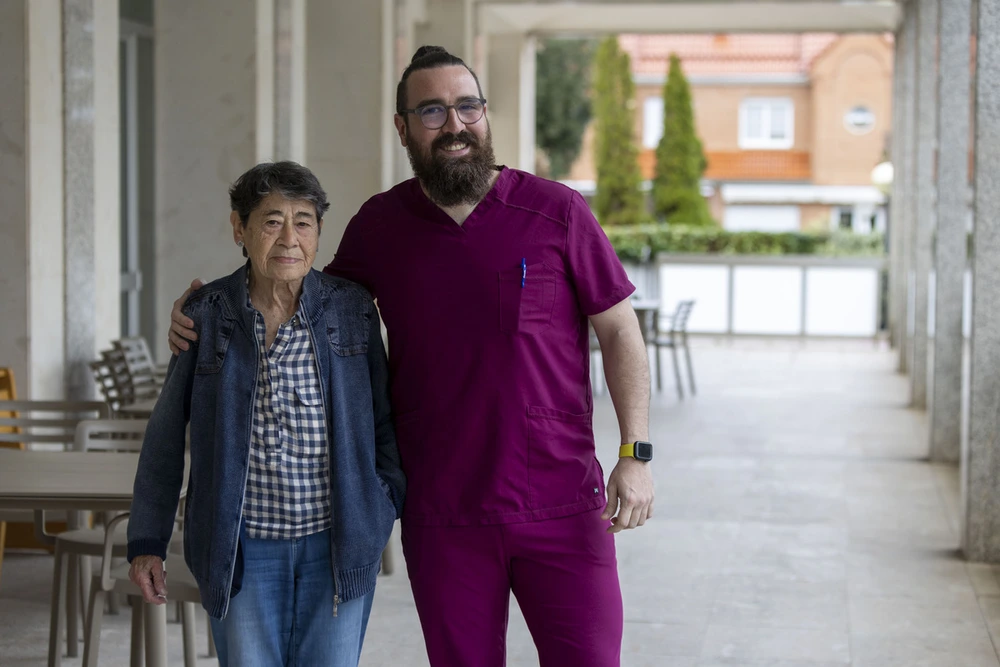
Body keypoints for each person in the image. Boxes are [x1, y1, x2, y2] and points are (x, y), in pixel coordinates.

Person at [169, 47, 653, 666]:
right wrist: (208, 307)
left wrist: (635, 452)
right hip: (441, 511)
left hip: (561, 501)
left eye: (468, 107)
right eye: (432, 111)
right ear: (402, 128)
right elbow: (302, 299)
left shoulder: (556, 211)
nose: (455, 124)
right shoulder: (381, 225)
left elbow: (619, 330)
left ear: (485, 114)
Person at [129, 161, 405, 667]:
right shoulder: (206, 313)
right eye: (272, 221)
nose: (289, 239)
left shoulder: (352, 309)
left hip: (337, 544)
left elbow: (385, 421)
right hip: (241, 551)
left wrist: (380, 505)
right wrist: (148, 540)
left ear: (319, 232)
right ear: (240, 228)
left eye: (303, 222)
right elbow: (165, 436)